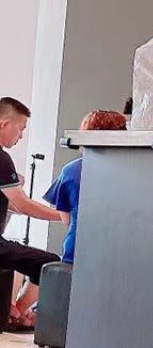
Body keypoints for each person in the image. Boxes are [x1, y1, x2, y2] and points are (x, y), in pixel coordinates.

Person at [0, 97, 61, 330]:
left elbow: (14, 204)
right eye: (21, 128)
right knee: (50, 263)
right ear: (5, 124)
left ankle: (13, 311)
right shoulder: (2, 158)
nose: (21, 136)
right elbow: (22, 204)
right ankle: (17, 313)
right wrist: (62, 216)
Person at [44, 110, 127, 265]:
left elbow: (66, 219)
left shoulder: (71, 171)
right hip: (119, 254)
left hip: (77, 251)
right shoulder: (131, 172)